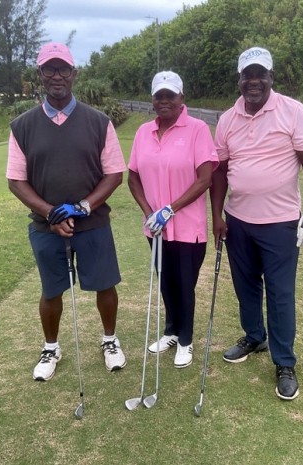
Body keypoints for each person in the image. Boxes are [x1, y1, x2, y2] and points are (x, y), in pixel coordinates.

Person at [6, 42, 127, 381]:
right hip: (46, 227)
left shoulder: (99, 121)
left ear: (74, 74)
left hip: (94, 223)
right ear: (41, 75)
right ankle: (51, 347)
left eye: (63, 69)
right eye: (49, 69)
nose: (56, 76)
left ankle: (109, 340)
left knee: (105, 285)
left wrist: (82, 207)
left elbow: (114, 174)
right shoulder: (22, 126)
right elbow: (16, 181)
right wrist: (51, 214)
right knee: (51, 290)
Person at [210, 47, 303, 400]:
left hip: (280, 224)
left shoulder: (292, 111)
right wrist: (217, 215)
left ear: (272, 78)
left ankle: (284, 361)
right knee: (245, 287)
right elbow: (220, 171)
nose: (253, 81)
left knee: (280, 292)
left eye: (260, 74)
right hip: (238, 221)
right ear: (239, 79)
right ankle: (254, 337)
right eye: (247, 75)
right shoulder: (228, 119)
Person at [128, 71, 218, 368]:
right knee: (165, 282)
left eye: (170, 95)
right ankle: (170, 331)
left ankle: (186, 340)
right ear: (152, 100)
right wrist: (148, 211)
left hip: (188, 227)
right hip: (155, 227)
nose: (164, 100)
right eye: (159, 96)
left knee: (183, 285)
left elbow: (204, 179)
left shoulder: (197, 129)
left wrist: (170, 209)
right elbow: (133, 178)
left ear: (182, 99)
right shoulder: (143, 133)